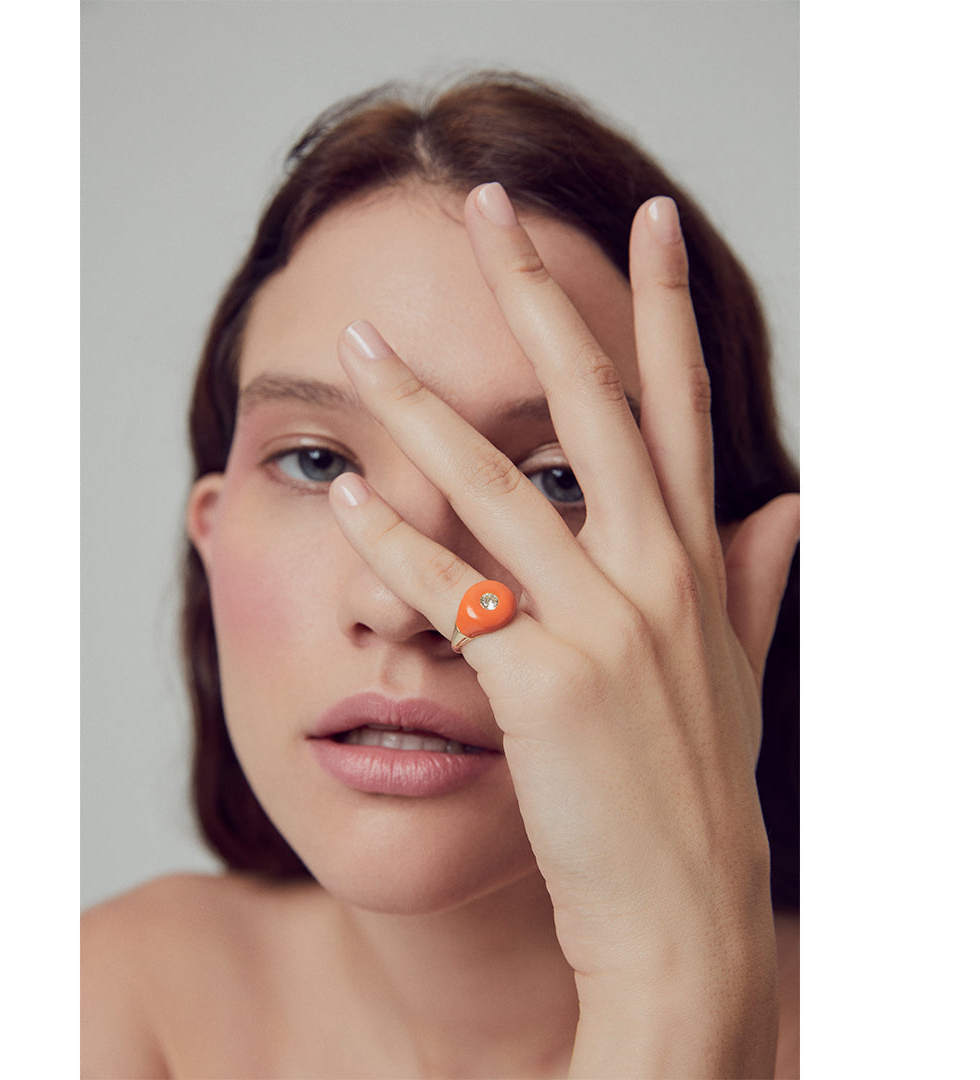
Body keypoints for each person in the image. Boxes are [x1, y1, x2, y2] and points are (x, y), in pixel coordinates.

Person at [81, 71, 800, 1078]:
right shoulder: (91, 1004)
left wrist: (673, 989)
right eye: (318, 462)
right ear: (211, 527)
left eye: (554, 481)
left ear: (717, 583)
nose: (408, 604)